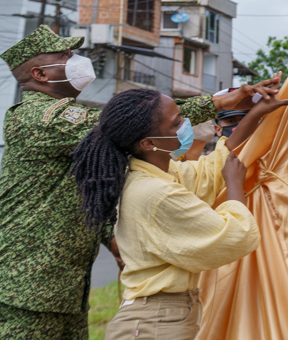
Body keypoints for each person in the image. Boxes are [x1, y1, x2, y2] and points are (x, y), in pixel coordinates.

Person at [0, 25, 271, 340]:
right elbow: (139, 120)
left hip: (61, 285)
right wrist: (220, 104)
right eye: (64, 56)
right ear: (40, 74)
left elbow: (79, 190)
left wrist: (110, 235)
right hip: (25, 286)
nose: (76, 60)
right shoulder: (36, 118)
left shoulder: (65, 118)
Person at [70, 83, 288, 340]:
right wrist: (234, 184)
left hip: (160, 316)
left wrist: (254, 115)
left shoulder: (161, 174)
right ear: (150, 142)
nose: (186, 125)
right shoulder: (154, 192)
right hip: (154, 322)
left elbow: (208, 172)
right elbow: (234, 236)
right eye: (176, 124)